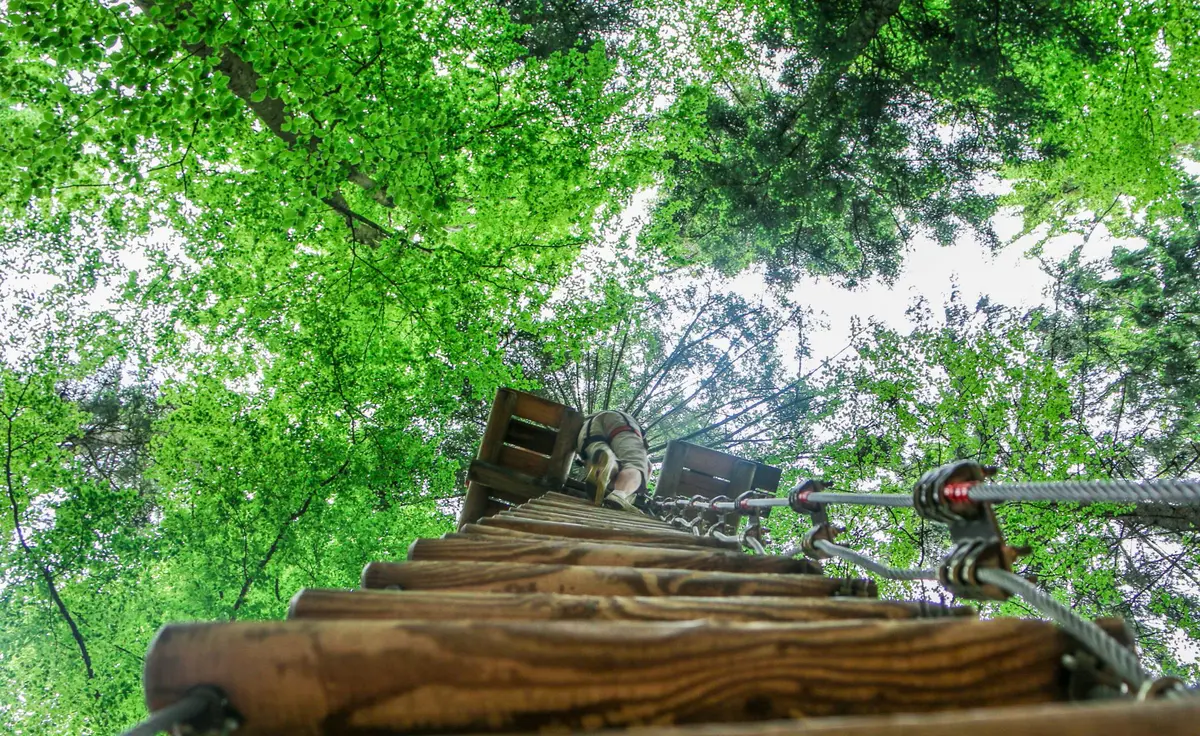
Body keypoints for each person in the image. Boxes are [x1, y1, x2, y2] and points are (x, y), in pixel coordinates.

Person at [577, 410, 650, 513]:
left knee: (600, 451)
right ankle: (619, 494)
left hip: (587, 428)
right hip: (619, 421)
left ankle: (611, 463)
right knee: (635, 464)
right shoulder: (648, 464)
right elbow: (645, 467)